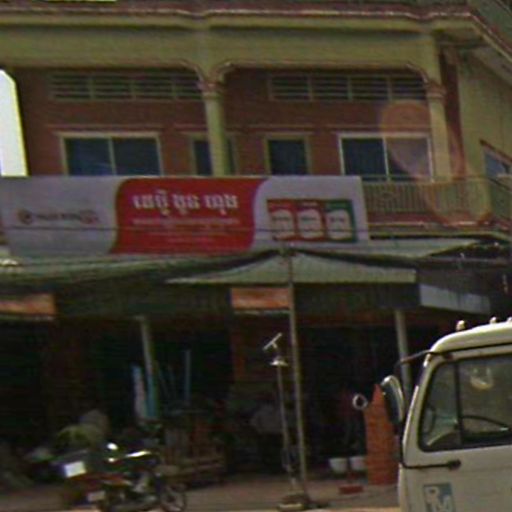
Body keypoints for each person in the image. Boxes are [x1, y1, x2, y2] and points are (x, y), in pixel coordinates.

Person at [250, 394, 283, 472]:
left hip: (266, 434)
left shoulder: (260, 411)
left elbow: (253, 423)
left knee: (268, 452)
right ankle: (278, 467)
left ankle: (270, 468)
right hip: (277, 433)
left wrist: (260, 431)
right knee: (277, 451)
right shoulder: (279, 411)